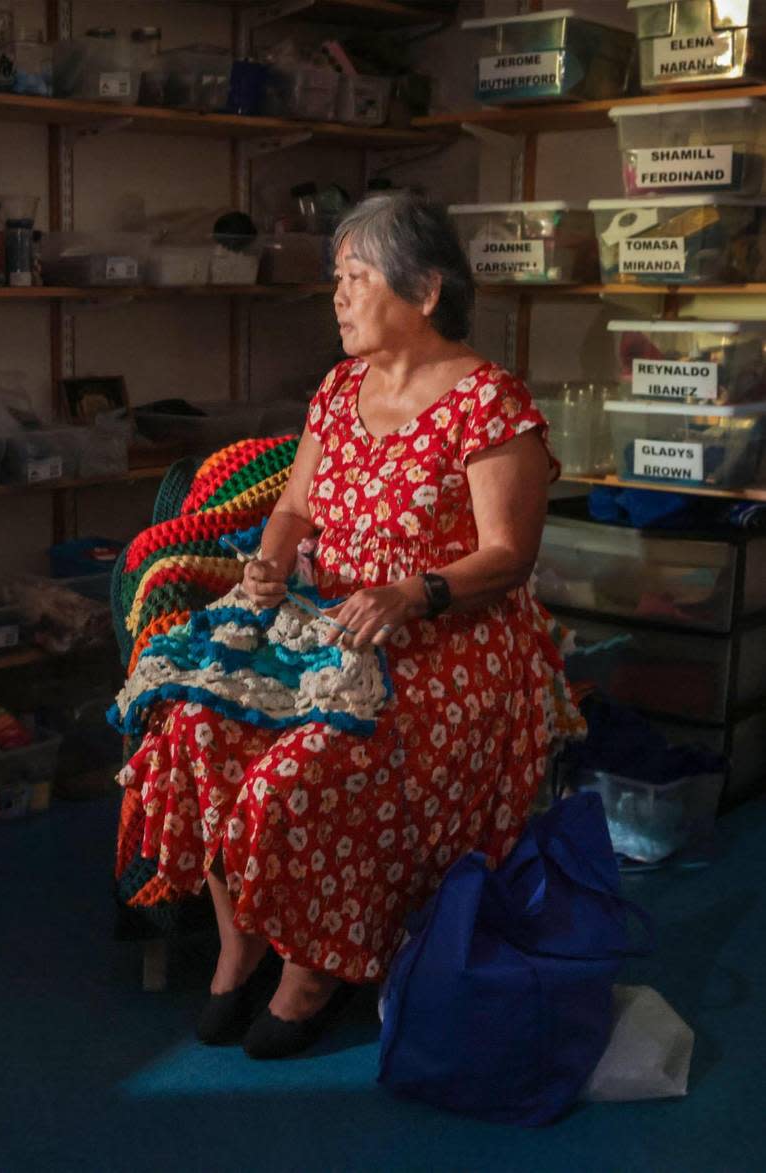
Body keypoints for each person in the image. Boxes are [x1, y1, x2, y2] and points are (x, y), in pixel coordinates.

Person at [117, 190, 583, 1060]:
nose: (337, 296)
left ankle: (314, 969)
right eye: (337, 278)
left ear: (427, 290)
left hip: (450, 647)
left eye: (356, 277)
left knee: (298, 771)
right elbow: (294, 508)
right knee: (194, 728)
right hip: (328, 632)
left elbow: (509, 554)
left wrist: (414, 592)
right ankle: (241, 941)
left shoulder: (490, 403)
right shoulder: (337, 392)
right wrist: (264, 569)